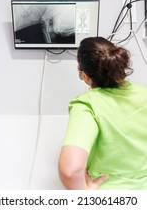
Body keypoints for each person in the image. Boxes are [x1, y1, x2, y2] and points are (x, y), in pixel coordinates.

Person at [58, 36, 147, 190]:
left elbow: (70, 172)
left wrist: (85, 195)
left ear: (84, 75)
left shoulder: (86, 104)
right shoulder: (144, 94)